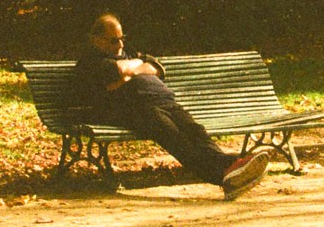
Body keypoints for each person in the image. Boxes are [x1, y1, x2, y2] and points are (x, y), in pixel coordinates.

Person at [73, 13, 269, 197]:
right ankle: (226, 173)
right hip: (133, 109)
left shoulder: (128, 52)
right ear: (96, 39)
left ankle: (232, 168)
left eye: (122, 37)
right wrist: (136, 67)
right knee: (177, 139)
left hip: (163, 100)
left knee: (195, 131)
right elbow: (116, 70)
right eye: (113, 40)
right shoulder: (90, 61)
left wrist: (130, 71)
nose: (121, 44)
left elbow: (156, 67)